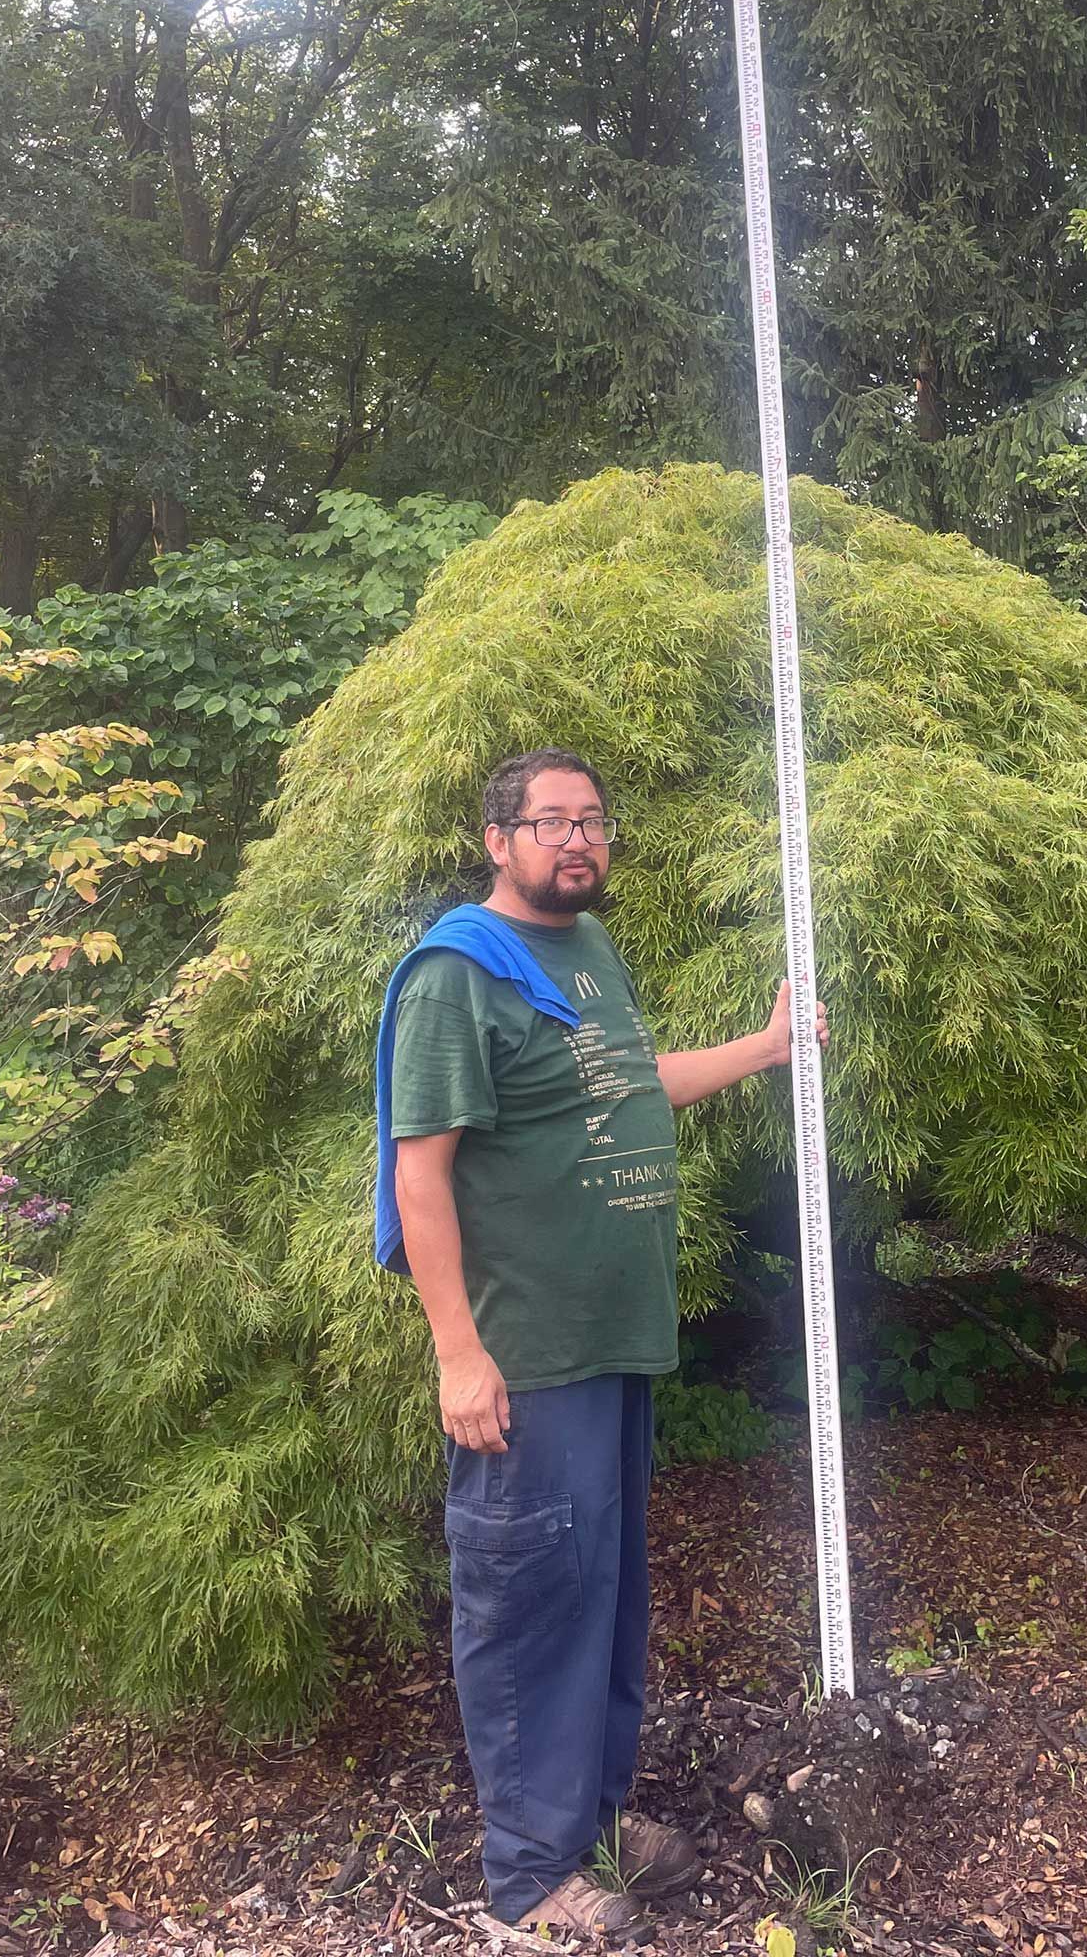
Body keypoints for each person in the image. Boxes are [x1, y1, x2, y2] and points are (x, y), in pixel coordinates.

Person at [378, 747, 826, 1940]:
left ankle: (590, 1810)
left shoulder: (585, 952)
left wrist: (765, 1047)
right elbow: (420, 1174)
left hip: (611, 1342)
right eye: (551, 821)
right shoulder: (457, 976)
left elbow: (628, 1090)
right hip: (525, 1356)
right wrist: (456, 1352)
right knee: (528, 1602)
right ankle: (530, 1875)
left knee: (605, 1598)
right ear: (497, 837)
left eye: (593, 821)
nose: (578, 840)